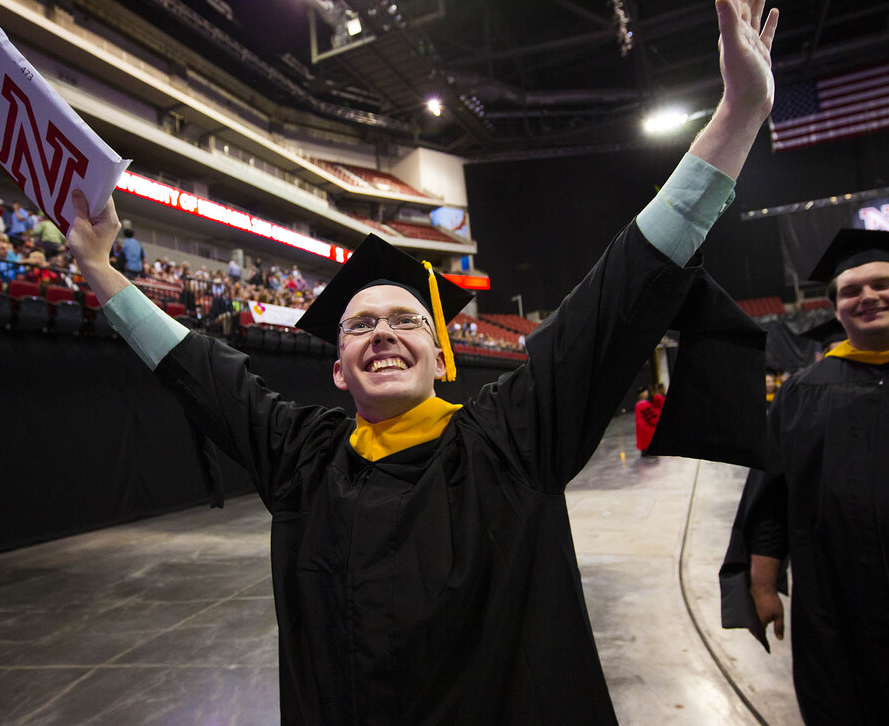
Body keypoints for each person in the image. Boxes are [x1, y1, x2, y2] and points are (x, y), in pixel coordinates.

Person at [67, 1, 777, 721]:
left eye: (405, 320)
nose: (381, 333)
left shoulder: (511, 441)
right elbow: (197, 368)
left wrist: (739, 115)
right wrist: (101, 271)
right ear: (338, 368)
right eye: (360, 326)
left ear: (441, 359)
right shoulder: (302, 461)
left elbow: (619, 293)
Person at [721, 228, 889, 725]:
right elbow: (771, 497)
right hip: (838, 604)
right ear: (835, 306)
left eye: (883, 283)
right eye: (850, 291)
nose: (868, 297)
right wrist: (762, 584)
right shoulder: (804, 392)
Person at [634, 386, 659, 455]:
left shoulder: (638, 404)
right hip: (647, 427)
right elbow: (651, 418)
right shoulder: (644, 404)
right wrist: (656, 421)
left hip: (641, 427)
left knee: (643, 440)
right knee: (648, 439)